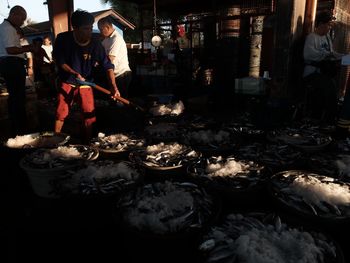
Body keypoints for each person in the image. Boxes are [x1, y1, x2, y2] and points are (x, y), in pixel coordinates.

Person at [53, 10, 119, 143]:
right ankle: (54, 140)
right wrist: (74, 73)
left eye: (90, 28)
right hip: (67, 81)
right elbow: (60, 62)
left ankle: (88, 142)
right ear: (75, 28)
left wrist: (113, 86)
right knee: (61, 113)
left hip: (86, 83)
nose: (90, 31)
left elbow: (107, 65)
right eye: (86, 29)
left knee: (89, 115)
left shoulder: (95, 43)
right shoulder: (63, 39)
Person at [303, 11, 343, 124]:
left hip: (324, 73)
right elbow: (307, 55)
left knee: (331, 86)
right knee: (329, 86)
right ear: (321, 24)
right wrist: (325, 55)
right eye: (328, 24)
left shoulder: (327, 38)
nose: (330, 27)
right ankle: (328, 120)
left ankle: (328, 118)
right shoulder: (312, 37)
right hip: (312, 73)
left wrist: (344, 56)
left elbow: (332, 53)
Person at [0, 5, 33, 136]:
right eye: (22, 19)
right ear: (14, 14)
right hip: (11, 63)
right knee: (17, 97)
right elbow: (11, 50)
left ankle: (17, 126)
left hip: (10, 63)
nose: (22, 22)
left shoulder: (8, 28)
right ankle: (20, 128)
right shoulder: (7, 28)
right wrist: (28, 48)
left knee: (16, 97)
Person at [97, 16, 132, 98]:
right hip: (113, 74)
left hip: (122, 75)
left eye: (101, 30)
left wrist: (97, 63)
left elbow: (110, 58)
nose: (100, 32)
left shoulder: (116, 38)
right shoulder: (106, 39)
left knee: (120, 100)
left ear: (107, 27)